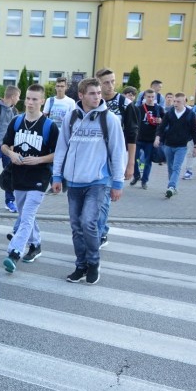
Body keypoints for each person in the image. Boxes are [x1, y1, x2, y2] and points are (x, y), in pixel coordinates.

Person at [51, 77, 127, 285]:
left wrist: (118, 183)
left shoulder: (109, 119)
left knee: (88, 223)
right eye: (92, 93)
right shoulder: (71, 117)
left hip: (98, 181)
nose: (97, 97)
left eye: (99, 93)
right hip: (74, 182)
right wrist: (57, 175)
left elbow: (118, 151)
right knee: (76, 227)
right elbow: (61, 148)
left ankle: (93, 263)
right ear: (81, 95)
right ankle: (80, 265)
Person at [1, 84, 59, 272]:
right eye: (28, 98)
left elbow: (58, 153)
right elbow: (4, 145)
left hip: (39, 177)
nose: (30, 102)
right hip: (18, 176)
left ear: (42, 101)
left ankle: (14, 252)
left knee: (27, 216)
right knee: (25, 214)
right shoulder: (17, 122)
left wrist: (39, 160)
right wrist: (11, 155)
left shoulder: (49, 126)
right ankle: (36, 245)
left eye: (35, 99)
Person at [95, 68, 137, 248]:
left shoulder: (125, 104)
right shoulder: (93, 101)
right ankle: (96, 228)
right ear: (98, 83)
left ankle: (100, 231)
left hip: (115, 157)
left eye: (113, 81)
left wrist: (130, 164)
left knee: (105, 196)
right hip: (95, 157)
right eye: (106, 82)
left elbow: (132, 135)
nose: (110, 85)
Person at [154, 92, 196, 198]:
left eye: (178, 101)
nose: (176, 103)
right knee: (170, 167)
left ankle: (171, 186)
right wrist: (157, 137)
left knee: (176, 167)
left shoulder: (190, 114)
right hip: (168, 144)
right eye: (175, 101)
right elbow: (162, 126)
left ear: (184, 102)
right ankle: (173, 187)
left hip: (182, 146)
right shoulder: (169, 113)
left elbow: (194, 131)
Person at [131, 88, 164, 189]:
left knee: (147, 161)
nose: (150, 99)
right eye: (148, 97)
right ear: (144, 97)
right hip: (138, 138)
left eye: (152, 97)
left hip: (151, 139)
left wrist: (161, 120)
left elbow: (165, 123)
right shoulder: (139, 108)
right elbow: (133, 122)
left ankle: (144, 181)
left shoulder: (158, 109)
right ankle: (136, 176)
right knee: (134, 158)